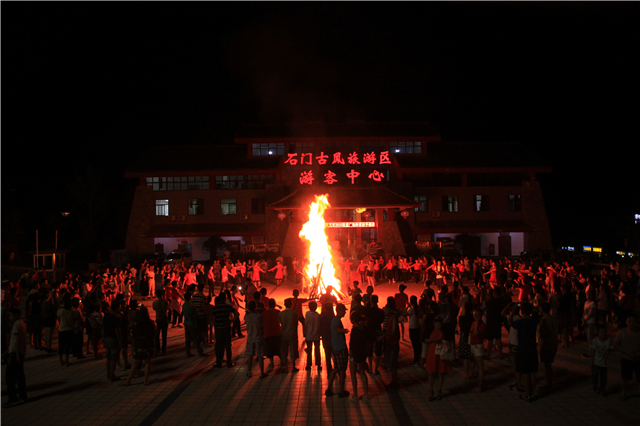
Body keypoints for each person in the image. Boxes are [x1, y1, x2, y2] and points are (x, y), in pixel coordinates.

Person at [509, 302, 539, 402]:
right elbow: (536, 311)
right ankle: (533, 393)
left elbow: (510, 322)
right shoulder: (534, 320)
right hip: (532, 349)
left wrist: (513, 312)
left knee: (525, 373)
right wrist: (530, 305)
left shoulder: (521, 322)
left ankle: (527, 394)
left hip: (523, 349)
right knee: (533, 373)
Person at [122, 306, 156, 386]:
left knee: (135, 363)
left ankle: (128, 380)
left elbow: (131, 336)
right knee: (148, 362)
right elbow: (154, 335)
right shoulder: (151, 323)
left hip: (138, 345)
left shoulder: (135, 325)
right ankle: (145, 380)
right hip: (148, 345)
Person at [349, 311, 378, 402]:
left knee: (353, 374)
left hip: (355, 353)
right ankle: (366, 394)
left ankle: (355, 394)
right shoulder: (364, 328)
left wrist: (350, 352)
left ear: (353, 320)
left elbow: (352, 343)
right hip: (362, 353)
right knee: (362, 372)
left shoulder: (355, 330)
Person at [3, 308, 27, 407]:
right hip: (19, 353)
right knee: (19, 376)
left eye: (11, 315)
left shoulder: (16, 325)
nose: (10, 317)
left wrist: (16, 355)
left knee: (9, 377)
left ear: (17, 315)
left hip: (15, 354)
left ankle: (12, 397)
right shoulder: (22, 324)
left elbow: (16, 341)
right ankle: (22, 395)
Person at [613, 314, 640, 401]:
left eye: (634, 321)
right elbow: (615, 344)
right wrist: (626, 352)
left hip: (638, 359)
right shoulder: (622, 332)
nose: (632, 323)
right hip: (626, 359)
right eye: (630, 321)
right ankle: (624, 392)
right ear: (626, 322)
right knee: (625, 378)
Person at [325, 303, 349, 398]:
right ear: (340, 311)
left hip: (336, 347)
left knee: (336, 369)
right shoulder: (336, 320)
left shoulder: (335, 319)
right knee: (342, 370)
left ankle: (329, 389)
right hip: (340, 348)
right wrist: (343, 331)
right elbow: (336, 329)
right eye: (344, 311)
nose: (345, 313)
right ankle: (341, 391)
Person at [425, 316, 451, 401]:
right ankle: (430, 391)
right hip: (432, 352)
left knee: (441, 372)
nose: (438, 325)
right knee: (431, 373)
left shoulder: (445, 330)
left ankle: (439, 390)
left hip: (441, 353)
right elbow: (425, 339)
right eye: (437, 323)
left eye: (440, 323)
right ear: (434, 323)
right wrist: (433, 340)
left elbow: (450, 341)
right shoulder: (430, 329)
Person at [538, 301, 559, 393]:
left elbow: (542, 333)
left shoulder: (544, 320)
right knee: (548, 363)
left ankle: (548, 380)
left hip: (547, 343)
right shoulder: (554, 319)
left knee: (547, 363)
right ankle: (548, 378)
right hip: (554, 342)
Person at [244, 301, 267, 378]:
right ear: (255, 307)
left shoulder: (246, 317)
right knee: (260, 356)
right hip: (259, 337)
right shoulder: (259, 317)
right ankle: (261, 372)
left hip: (250, 338)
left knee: (250, 356)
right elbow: (262, 326)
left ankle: (249, 371)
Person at [212, 294, 235, 368]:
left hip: (219, 328)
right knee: (228, 346)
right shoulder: (228, 307)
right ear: (225, 299)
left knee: (219, 346)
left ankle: (219, 362)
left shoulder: (215, 308)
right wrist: (232, 320)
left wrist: (215, 325)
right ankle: (229, 362)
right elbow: (236, 313)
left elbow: (213, 318)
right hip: (227, 328)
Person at [384, 299, 401, 391]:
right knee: (390, 364)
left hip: (393, 344)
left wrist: (383, 335)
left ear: (391, 310)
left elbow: (393, 332)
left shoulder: (394, 319)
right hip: (389, 343)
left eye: (386, 310)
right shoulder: (388, 318)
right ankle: (394, 381)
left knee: (392, 365)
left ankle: (395, 383)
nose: (385, 311)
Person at [103, 300, 122, 382]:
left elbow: (102, 329)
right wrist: (119, 340)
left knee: (108, 358)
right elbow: (117, 330)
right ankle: (112, 375)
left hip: (107, 338)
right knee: (114, 358)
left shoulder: (106, 317)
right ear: (117, 307)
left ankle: (108, 374)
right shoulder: (115, 318)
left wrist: (103, 339)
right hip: (113, 338)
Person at [279, 298, 299, 372]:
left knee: (284, 350)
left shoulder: (281, 314)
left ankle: (286, 367)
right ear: (291, 304)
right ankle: (293, 366)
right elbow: (296, 323)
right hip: (292, 334)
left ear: (284, 304)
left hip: (284, 334)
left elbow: (280, 322)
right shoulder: (294, 313)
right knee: (293, 350)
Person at [591, 325, 612, 396]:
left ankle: (601, 389)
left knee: (603, 377)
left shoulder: (607, 341)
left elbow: (607, 351)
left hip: (603, 362)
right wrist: (592, 360)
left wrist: (605, 360)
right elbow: (593, 351)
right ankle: (595, 384)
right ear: (598, 333)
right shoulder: (595, 341)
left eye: (604, 332)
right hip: (596, 361)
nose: (602, 334)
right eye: (600, 332)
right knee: (595, 375)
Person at [182, 292, 205, 357]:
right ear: (190, 298)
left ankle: (188, 352)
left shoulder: (184, 305)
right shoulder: (191, 306)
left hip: (186, 323)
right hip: (192, 323)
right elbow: (195, 315)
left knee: (187, 339)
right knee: (196, 338)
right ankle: (200, 351)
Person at [263, 298, 283, 373]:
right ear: (274, 305)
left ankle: (272, 362)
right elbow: (280, 321)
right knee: (278, 347)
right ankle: (281, 361)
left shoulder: (264, 313)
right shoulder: (277, 312)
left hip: (268, 333)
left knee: (269, 349)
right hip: (276, 332)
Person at [469, 306, 486, 392]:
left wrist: (478, 322)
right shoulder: (473, 323)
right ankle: (471, 376)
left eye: (477, 315)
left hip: (478, 346)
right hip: (473, 345)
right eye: (474, 314)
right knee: (473, 362)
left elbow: (476, 333)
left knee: (480, 367)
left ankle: (480, 386)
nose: (475, 316)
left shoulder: (482, 325)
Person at [57, 295, 74, 367]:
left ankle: (61, 361)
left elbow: (58, 319)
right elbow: (72, 321)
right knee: (67, 345)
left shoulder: (60, 311)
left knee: (61, 345)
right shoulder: (71, 311)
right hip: (69, 329)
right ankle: (67, 361)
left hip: (61, 329)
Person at [304, 301, 321, 371]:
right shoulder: (318, 315)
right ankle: (318, 364)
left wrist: (304, 333)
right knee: (317, 350)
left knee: (309, 350)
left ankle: (308, 365)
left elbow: (305, 324)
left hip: (309, 335)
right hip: (316, 335)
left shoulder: (307, 314)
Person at [152, 289, 170, 355]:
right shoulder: (166, 302)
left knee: (157, 335)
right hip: (165, 318)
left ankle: (157, 349)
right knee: (164, 335)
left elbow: (154, 308)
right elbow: (168, 308)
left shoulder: (155, 303)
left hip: (158, 318)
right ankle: (164, 350)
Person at [320, 302, 335, 374]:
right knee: (335, 355)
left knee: (327, 356)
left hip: (325, 339)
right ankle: (336, 370)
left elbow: (320, 328)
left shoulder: (322, 318)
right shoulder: (334, 318)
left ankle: (329, 371)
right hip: (333, 339)